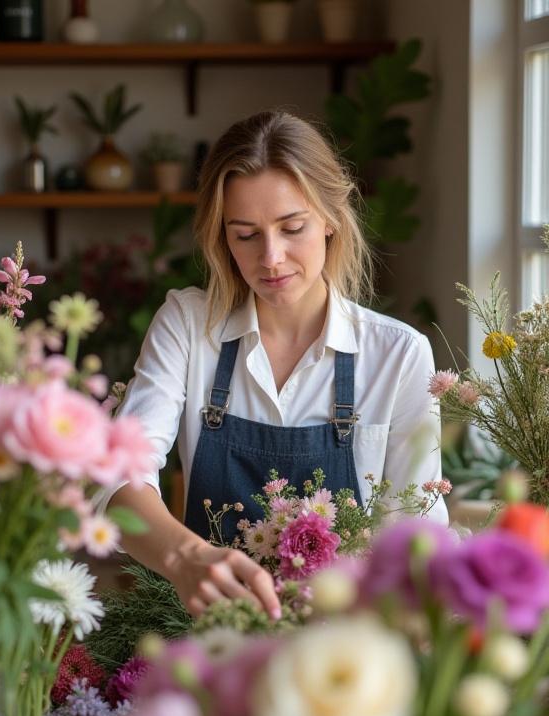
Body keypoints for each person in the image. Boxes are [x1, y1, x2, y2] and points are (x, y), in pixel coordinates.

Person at [104, 110, 448, 620]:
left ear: (331, 217)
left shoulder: (397, 355)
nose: (271, 258)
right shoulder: (188, 325)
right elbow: (116, 477)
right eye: (245, 234)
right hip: (206, 635)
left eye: (292, 228)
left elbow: (414, 540)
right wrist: (188, 558)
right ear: (221, 236)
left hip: (344, 642)